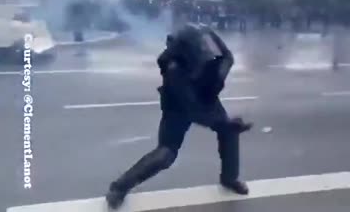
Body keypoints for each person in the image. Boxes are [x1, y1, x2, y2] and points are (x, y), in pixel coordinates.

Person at [106, 24, 252, 210]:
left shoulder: (207, 37)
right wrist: (225, 123)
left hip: (205, 93)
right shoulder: (175, 73)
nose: (203, 62)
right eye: (198, 62)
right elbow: (194, 110)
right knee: (165, 154)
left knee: (229, 133)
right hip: (179, 106)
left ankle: (229, 178)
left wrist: (217, 76)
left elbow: (227, 58)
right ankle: (119, 188)